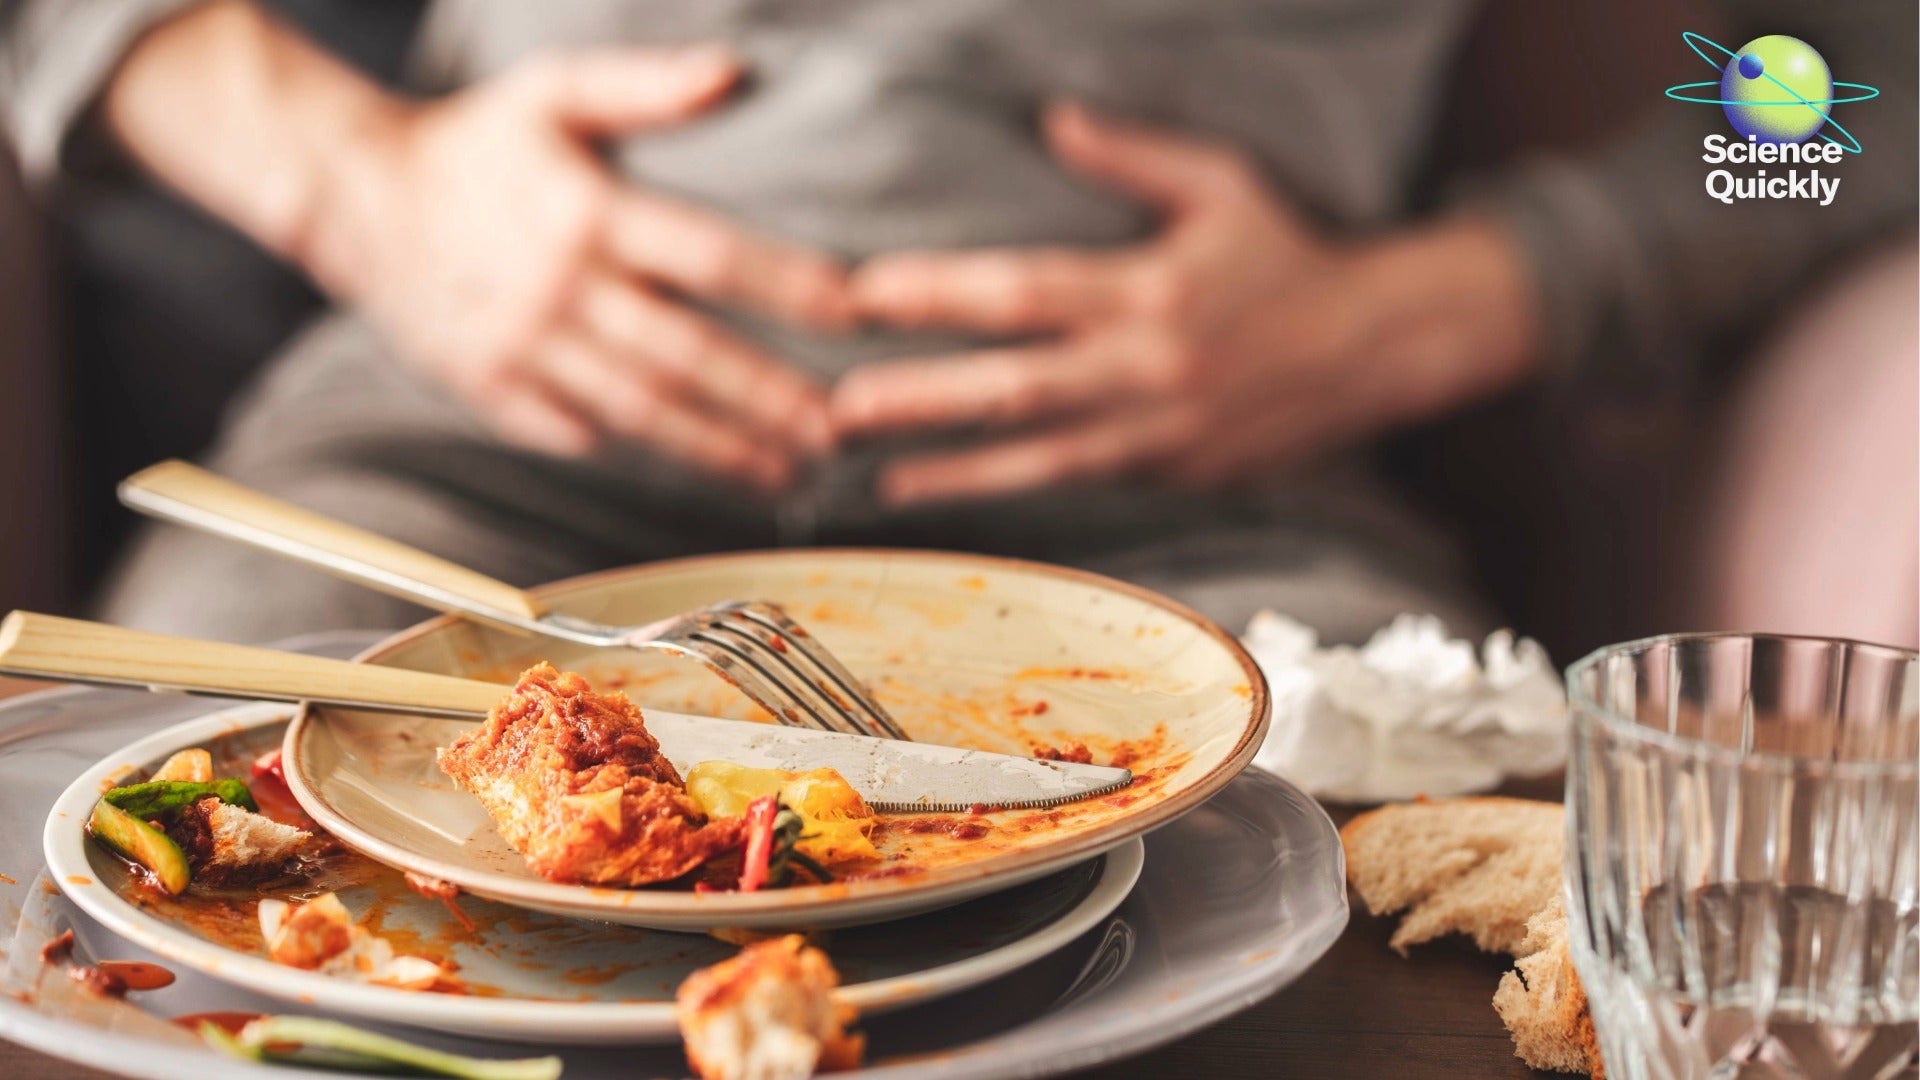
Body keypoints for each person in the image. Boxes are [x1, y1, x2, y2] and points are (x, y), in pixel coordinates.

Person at [2, 0, 1912, 644]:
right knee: (146, 857)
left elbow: (1849, 82)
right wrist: (360, 181)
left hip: (1216, 533)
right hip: (453, 469)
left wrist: (1442, 305)